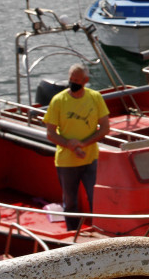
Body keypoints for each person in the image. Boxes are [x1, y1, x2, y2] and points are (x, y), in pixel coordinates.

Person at [44, 64, 110, 231]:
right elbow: (50, 133)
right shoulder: (58, 101)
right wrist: (70, 145)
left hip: (91, 159)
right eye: (71, 80)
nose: (73, 83)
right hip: (66, 162)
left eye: (77, 81)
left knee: (95, 197)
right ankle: (72, 232)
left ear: (85, 81)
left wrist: (83, 144)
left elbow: (105, 128)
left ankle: (99, 229)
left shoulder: (95, 98)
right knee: (70, 201)